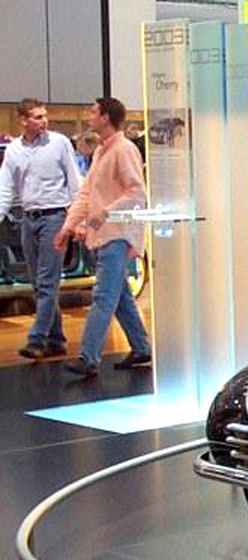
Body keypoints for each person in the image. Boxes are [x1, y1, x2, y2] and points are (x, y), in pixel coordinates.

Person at [54, 97, 152, 377]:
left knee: (104, 296)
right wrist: (69, 225)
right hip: (103, 235)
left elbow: (136, 192)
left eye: (93, 112)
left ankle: (88, 357)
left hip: (116, 235)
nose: (89, 117)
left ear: (106, 117)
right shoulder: (101, 152)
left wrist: (105, 213)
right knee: (119, 296)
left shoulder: (124, 150)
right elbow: (86, 194)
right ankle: (141, 347)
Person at [0, 98, 81, 359]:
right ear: (23, 120)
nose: (44, 121)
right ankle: (56, 339)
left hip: (54, 217)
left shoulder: (59, 143)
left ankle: (36, 339)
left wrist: (76, 219)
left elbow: (74, 182)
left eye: (44, 115)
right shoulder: (14, 150)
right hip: (28, 218)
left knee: (47, 282)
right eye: (37, 117)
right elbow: (6, 188)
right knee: (38, 284)